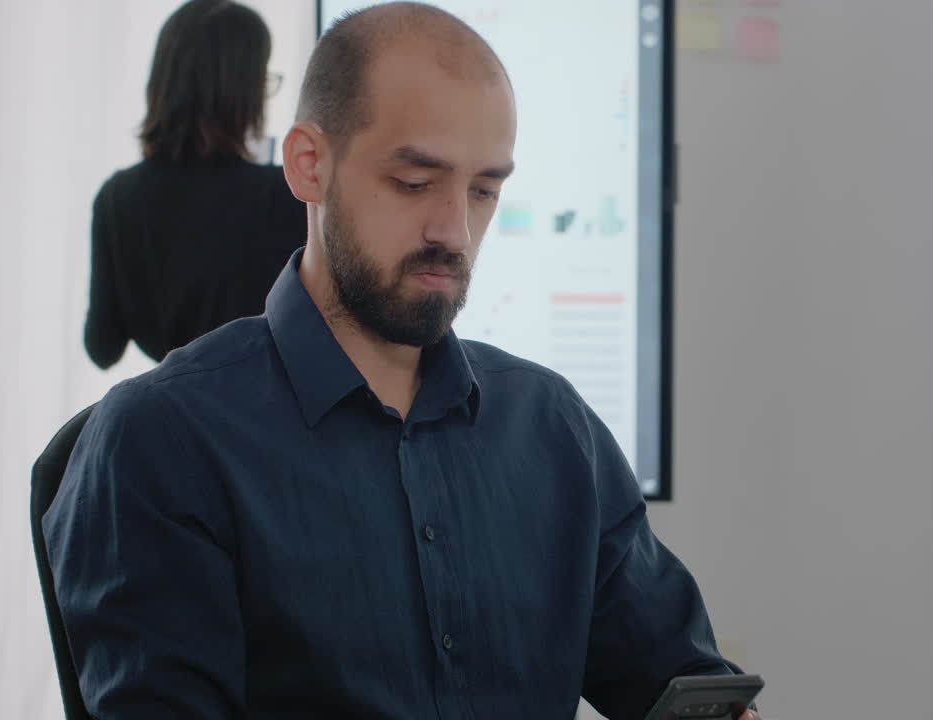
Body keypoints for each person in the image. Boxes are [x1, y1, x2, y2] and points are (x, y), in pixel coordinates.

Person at [45, 3, 759, 718]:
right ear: (308, 164)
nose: (455, 231)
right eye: (415, 183)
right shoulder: (162, 443)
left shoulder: (553, 429)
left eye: (484, 190)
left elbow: (683, 680)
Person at [83, 0, 306, 368]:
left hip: (165, 418)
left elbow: (102, 347)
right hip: (262, 417)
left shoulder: (116, 198)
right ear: (243, 93)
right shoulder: (285, 196)